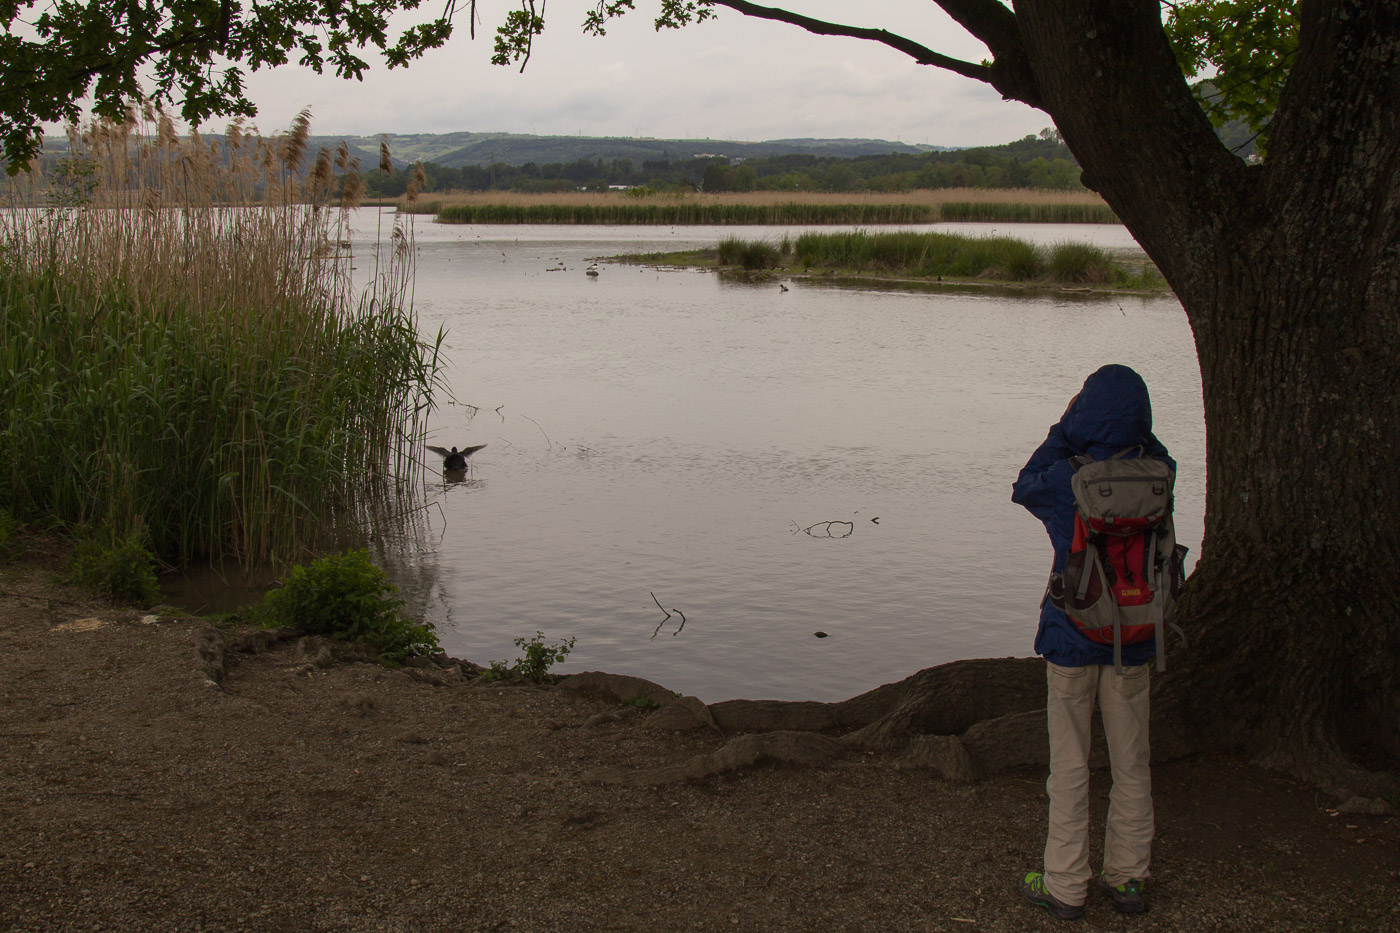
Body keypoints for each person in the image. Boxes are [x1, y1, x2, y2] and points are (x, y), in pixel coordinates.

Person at [1011, 364, 1174, 919]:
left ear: (1084, 412)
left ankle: (1065, 883)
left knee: (1071, 764)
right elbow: (1150, 446)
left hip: (1072, 636)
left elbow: (1023, 483)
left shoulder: (1066, 480)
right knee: (1132, 762)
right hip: (1135, 638)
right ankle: (1127, 878)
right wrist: (1134, 436)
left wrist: (1065, 430)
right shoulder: (1161, 475)